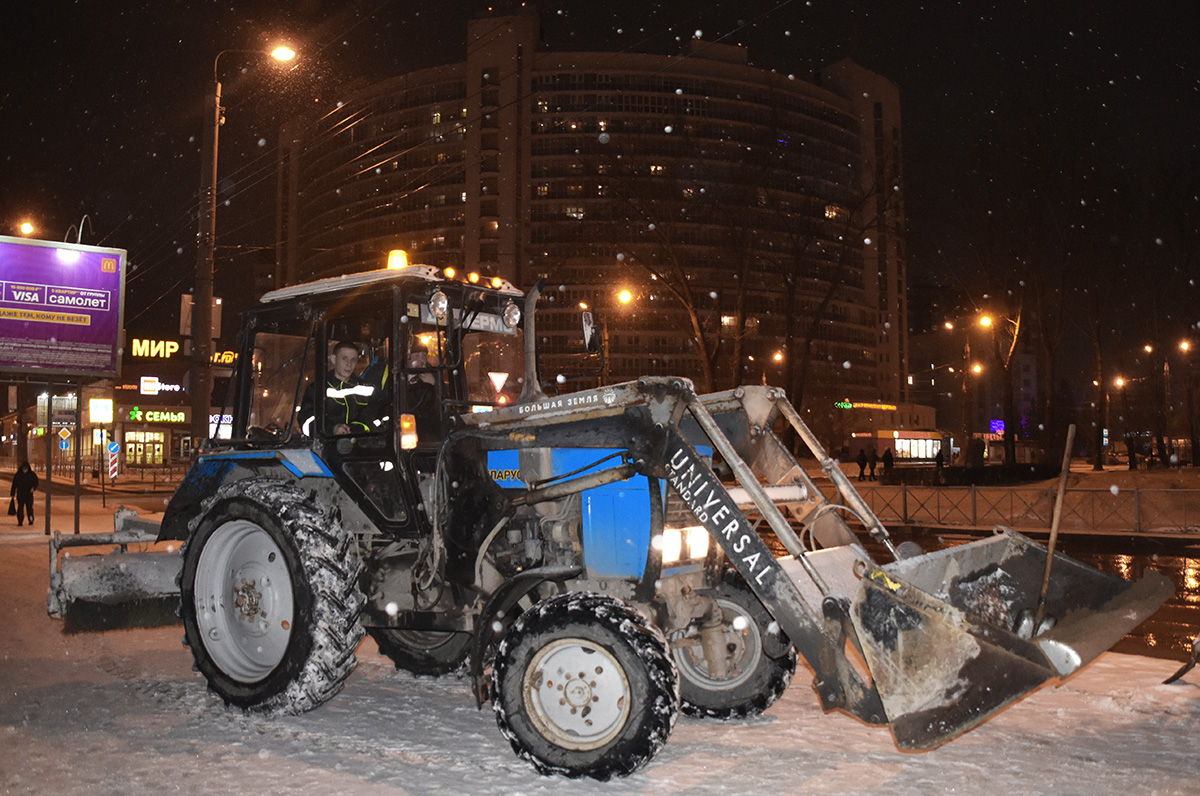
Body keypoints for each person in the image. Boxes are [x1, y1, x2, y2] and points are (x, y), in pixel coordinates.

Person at [299, 340, 378, 436]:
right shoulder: (317, 389)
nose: (349, 364)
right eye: (345, 358)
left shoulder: (366, 389)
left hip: (360, 446)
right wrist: (332, 429)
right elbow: (307, 421)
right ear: (333, 359)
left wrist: (355, 430)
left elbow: (374, 418)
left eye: (353, 360)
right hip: (326, 447)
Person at [10, 461, 38, 527]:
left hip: (27, 494)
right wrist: (12, 493)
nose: (24, 470)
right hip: (22, 494)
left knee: (29, 508)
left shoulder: (19, 475)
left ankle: (30, 520)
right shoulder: (30, 474)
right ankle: (20, 521)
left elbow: (36, 482)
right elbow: (14, 484)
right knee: (21, 508)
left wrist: (33, 488)